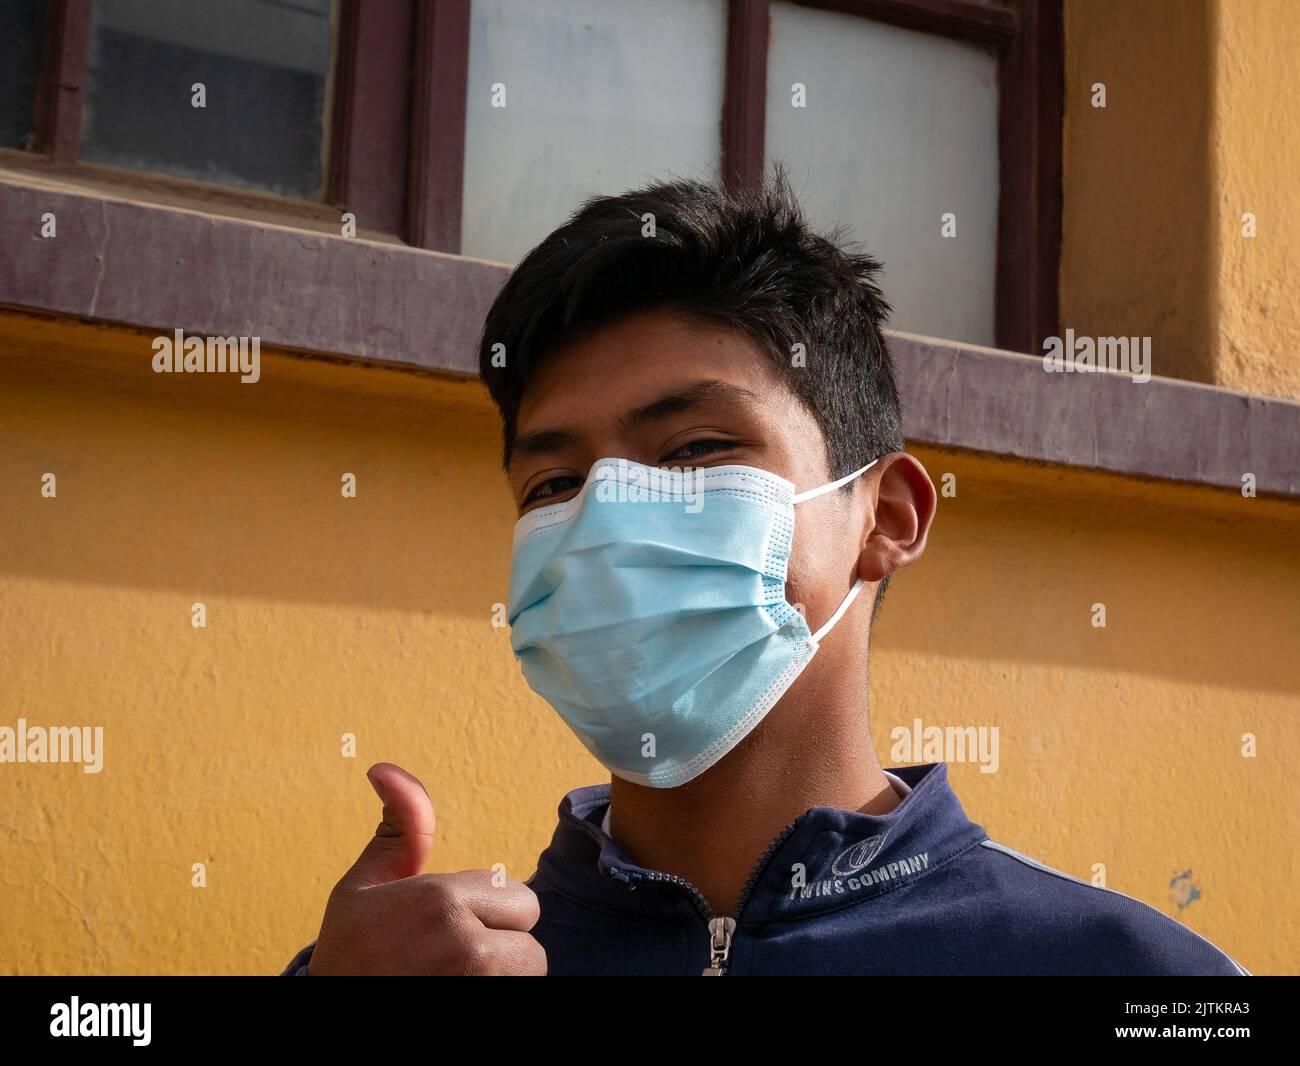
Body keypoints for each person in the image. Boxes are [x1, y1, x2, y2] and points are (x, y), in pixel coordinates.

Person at [281, 167, 1248, 976]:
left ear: (887, 515)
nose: (609, 515)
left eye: (697, 447)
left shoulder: (1129, 972)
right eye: (556, 481)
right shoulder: (420, 970)